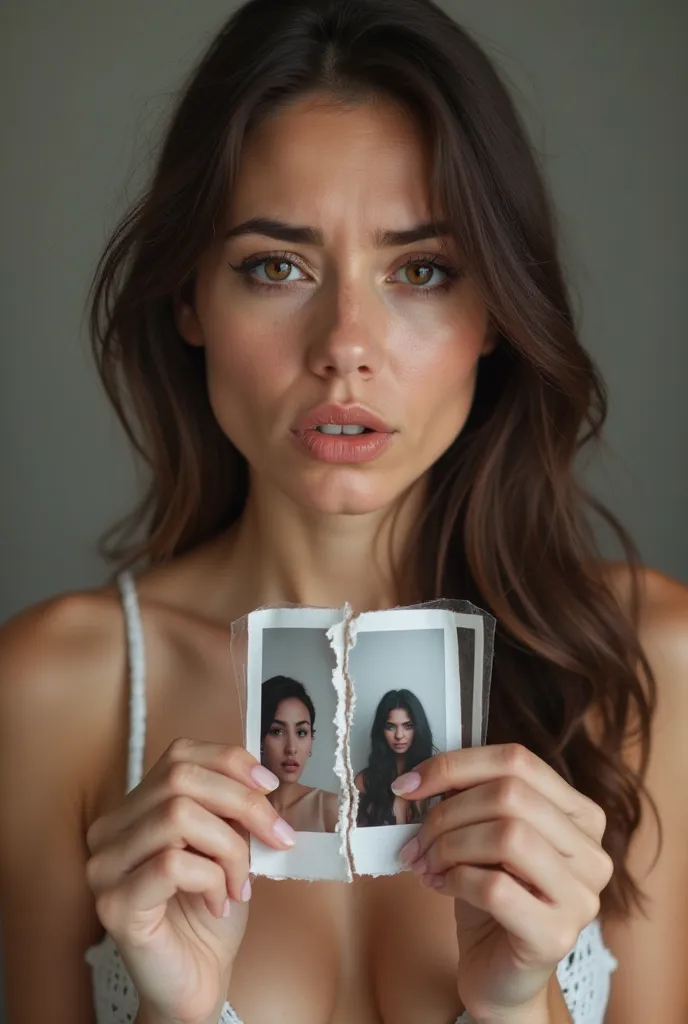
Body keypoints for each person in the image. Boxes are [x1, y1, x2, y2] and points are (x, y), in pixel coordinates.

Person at [0, 0, 686, 1021]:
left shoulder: (645, 663)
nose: (345, 344)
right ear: (190, 298)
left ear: (494, 311)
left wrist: (514, 1004)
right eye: (277, 266)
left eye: (421, 269)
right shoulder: (55, 690)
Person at [260, 675, 338, 833]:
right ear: (260, 738)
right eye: (277, 731)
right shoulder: (239, 806)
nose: (291, 748)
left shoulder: (331, 808)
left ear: (312, 740)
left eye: (301, 732)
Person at [355, 689, 436, 826]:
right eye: (391, 726)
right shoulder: (364, 782)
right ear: (381, 730)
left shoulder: (434, 777)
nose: (399, 735)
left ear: (418, 728)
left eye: (407, 726)